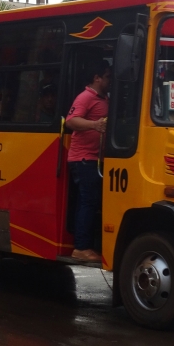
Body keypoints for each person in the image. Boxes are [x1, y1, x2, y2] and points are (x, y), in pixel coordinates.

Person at [65, 60, 110, 262]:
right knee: (88, 202)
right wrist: (94, 125)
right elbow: (71, 121)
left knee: (89, 202)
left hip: (95, 159)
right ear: (97, 78)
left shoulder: (104, 98)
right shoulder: (85, 97)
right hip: (84, 159)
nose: (110, 80)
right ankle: (81, 248)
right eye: (107, 76)